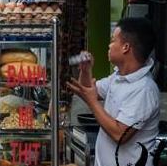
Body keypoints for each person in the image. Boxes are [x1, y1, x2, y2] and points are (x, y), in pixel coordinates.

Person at [67, 18, 159, 166]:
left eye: (113, 40)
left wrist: (92, 102)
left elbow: (119, 134)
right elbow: (89, 91)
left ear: (126, 47)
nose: (109, 45)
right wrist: (86, 70)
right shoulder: (118, 77)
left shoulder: (144, 89)